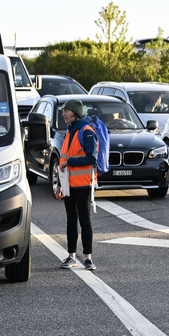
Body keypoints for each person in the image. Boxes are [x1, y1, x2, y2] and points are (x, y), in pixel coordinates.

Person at [56, 99, 98, 271]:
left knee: (84, 220)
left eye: (65, 111)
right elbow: (62, 160)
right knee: (71, 221)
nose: (63, 114)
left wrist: (70, 162)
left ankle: (88, 258)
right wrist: (59, 184)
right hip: (68, 184)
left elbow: (92, 158)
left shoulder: (87, 132)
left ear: (74, 112)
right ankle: (71, 256)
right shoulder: (69, 132)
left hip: (82, 184)